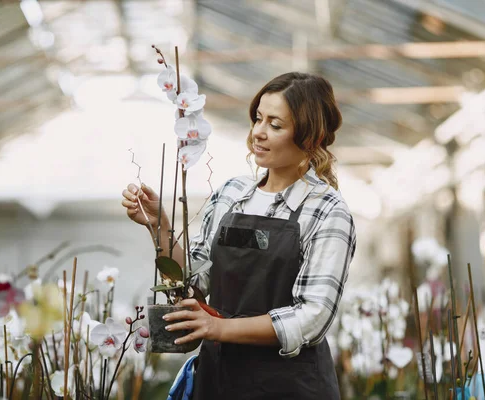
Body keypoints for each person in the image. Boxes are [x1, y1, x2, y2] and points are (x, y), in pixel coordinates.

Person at [121, 72, 357, 399]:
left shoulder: (326, 210)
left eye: (275, 125)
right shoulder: (232, 193)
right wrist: (159, 227)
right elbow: (195, 282)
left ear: (310, 136)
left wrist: (219, 328)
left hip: (289, 386)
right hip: (219, 380)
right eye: (258, 119)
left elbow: (311, 317)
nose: (258, 132)